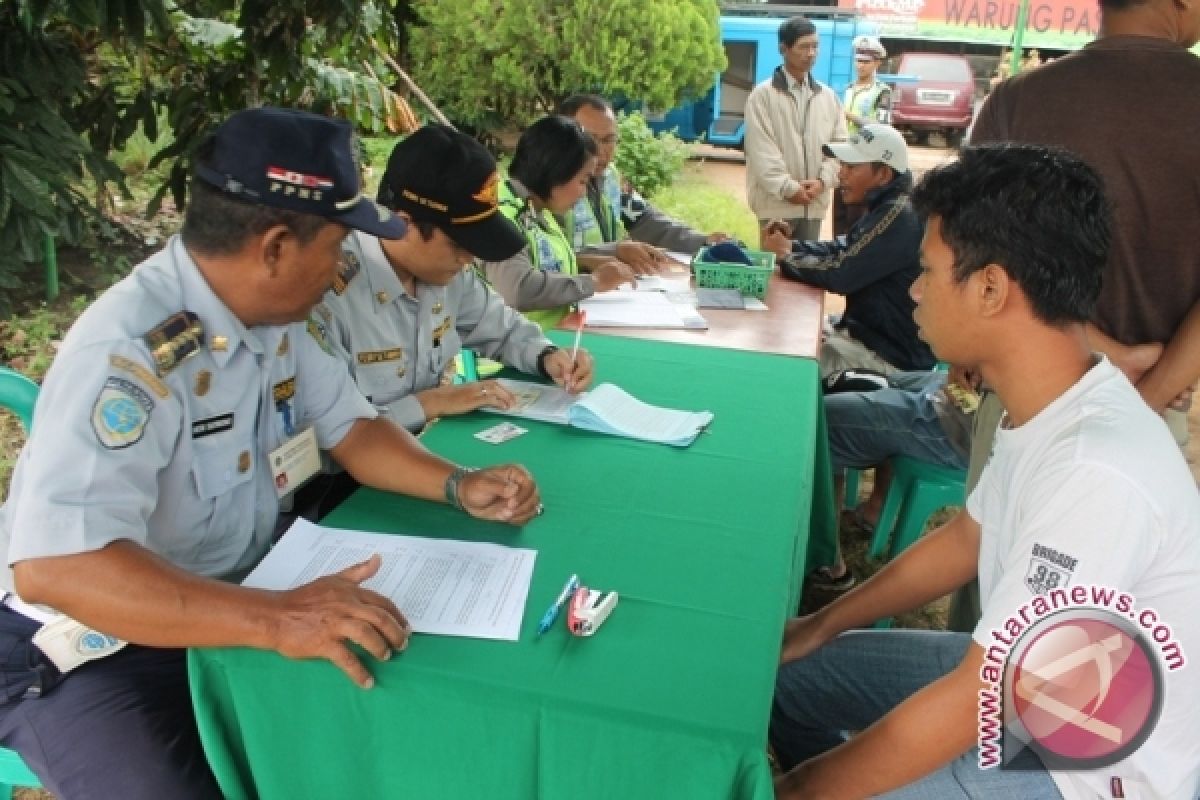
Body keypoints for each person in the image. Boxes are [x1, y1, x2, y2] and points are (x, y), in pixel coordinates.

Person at [0, 108, 542, 799]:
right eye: (339, 246)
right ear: (277, 247)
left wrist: (457, 485)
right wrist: (277, 617)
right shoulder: (130, 355)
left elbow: (355, 429)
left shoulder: (274, 319)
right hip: (91, 647)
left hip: (235, 593)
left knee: (379, 729)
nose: (345, 266)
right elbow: (56, 566)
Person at [772, 144, 1200, 799]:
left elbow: (982, 695)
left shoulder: (1095, 466)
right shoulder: (1051, 401)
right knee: (782, 680)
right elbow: (968, 538)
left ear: (992, 288)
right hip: (1025, 692)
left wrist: (803, 790)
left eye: (928, 271)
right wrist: (820, 625)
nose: (915, 291)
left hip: (1088, 764)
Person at [954, 0, 1200, 632]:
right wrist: (1146, 390)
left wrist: (1103, 356)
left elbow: (974, 266)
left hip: (1022, 405)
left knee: (990, 610)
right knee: (1095, 650)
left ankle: (957, 728)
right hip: (1157, 419)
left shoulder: (1018, 101)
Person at [317, 123, 595, 436]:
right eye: (460, 245)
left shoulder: (446, 274)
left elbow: (502, 328)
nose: (470, 259)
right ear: (402, 224)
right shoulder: (327, 287)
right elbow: (329, 432)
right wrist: (429, 403)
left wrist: (547, 357)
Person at [764, 123, 934, 378]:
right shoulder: (889, 206)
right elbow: (845, 247)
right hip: (869, 338)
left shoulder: (899, 215)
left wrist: (787, 257)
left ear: (883, 175)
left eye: (851, 167)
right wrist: (792, 246)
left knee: (788, 373)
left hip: (886, 356)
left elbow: (842, 273)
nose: (841, 174)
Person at [479, 115, 635, 330]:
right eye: (582, 181)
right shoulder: (502, 216)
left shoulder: (538, 209)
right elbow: (517, 288)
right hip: (506, 358)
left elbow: (544, 262)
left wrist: (590, 262)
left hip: (549, 343)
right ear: (556, 173)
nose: (584, 193)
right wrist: (593, 283)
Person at [557, 94, 724, 263]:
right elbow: (548, 260)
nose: (600, 151)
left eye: (609, 140)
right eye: (590, 139)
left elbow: (644, 219)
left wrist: (702, 241)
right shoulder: (548, 185)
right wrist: (614, 252)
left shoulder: (610, 177)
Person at [744, 15, 847, 243]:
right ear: (784, 48)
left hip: (814, 206)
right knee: (777, 273)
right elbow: (761, 151)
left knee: (807, 273)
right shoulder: (762, 97)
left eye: (815, 46)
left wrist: (822, 182)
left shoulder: (828, 97)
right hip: (776, 207)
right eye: (803, 47)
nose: (811, 53)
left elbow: (840, 147)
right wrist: (789, 188)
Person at [835, 34, 892, 236]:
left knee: (857, 220)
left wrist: (851, 116)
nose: (861, 66)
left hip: (865, 160)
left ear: (877, 63)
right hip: (845, 156)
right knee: (840, 217)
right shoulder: (848, 89)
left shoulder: (882, 92)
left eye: (866, 62)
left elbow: (883, 125)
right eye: (858, 61)